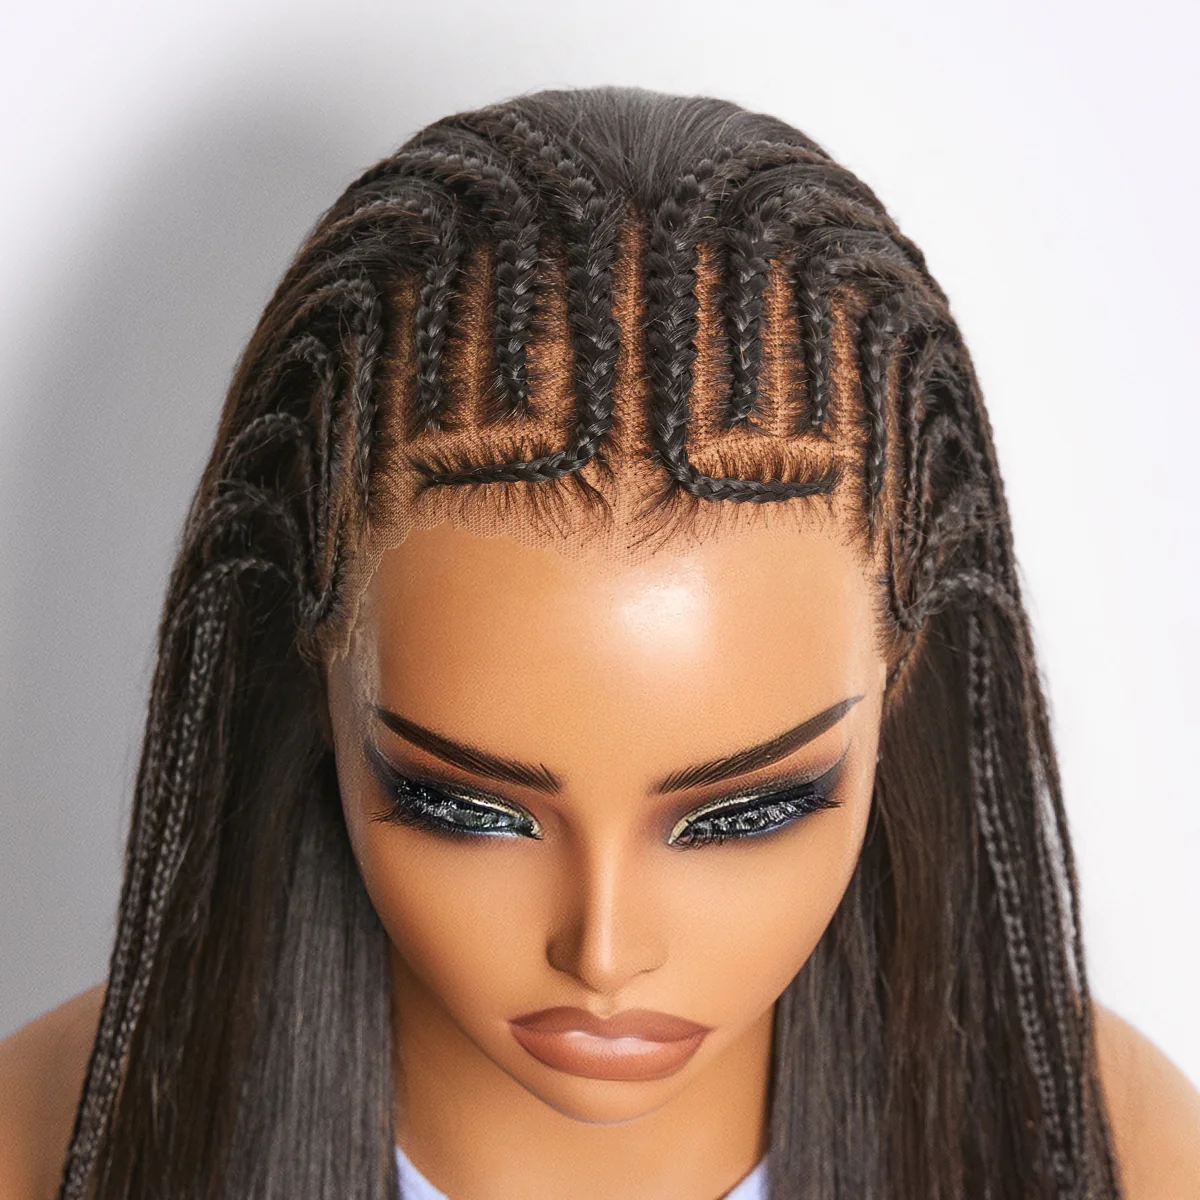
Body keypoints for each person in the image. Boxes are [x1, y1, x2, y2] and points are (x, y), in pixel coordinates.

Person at [1, 87, 1198, 1200]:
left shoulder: (1104, 1151)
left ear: (903, 669)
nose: (605, 953)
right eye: (464, 807)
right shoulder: (50, 1143)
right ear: (320, 669)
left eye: (746, 814)